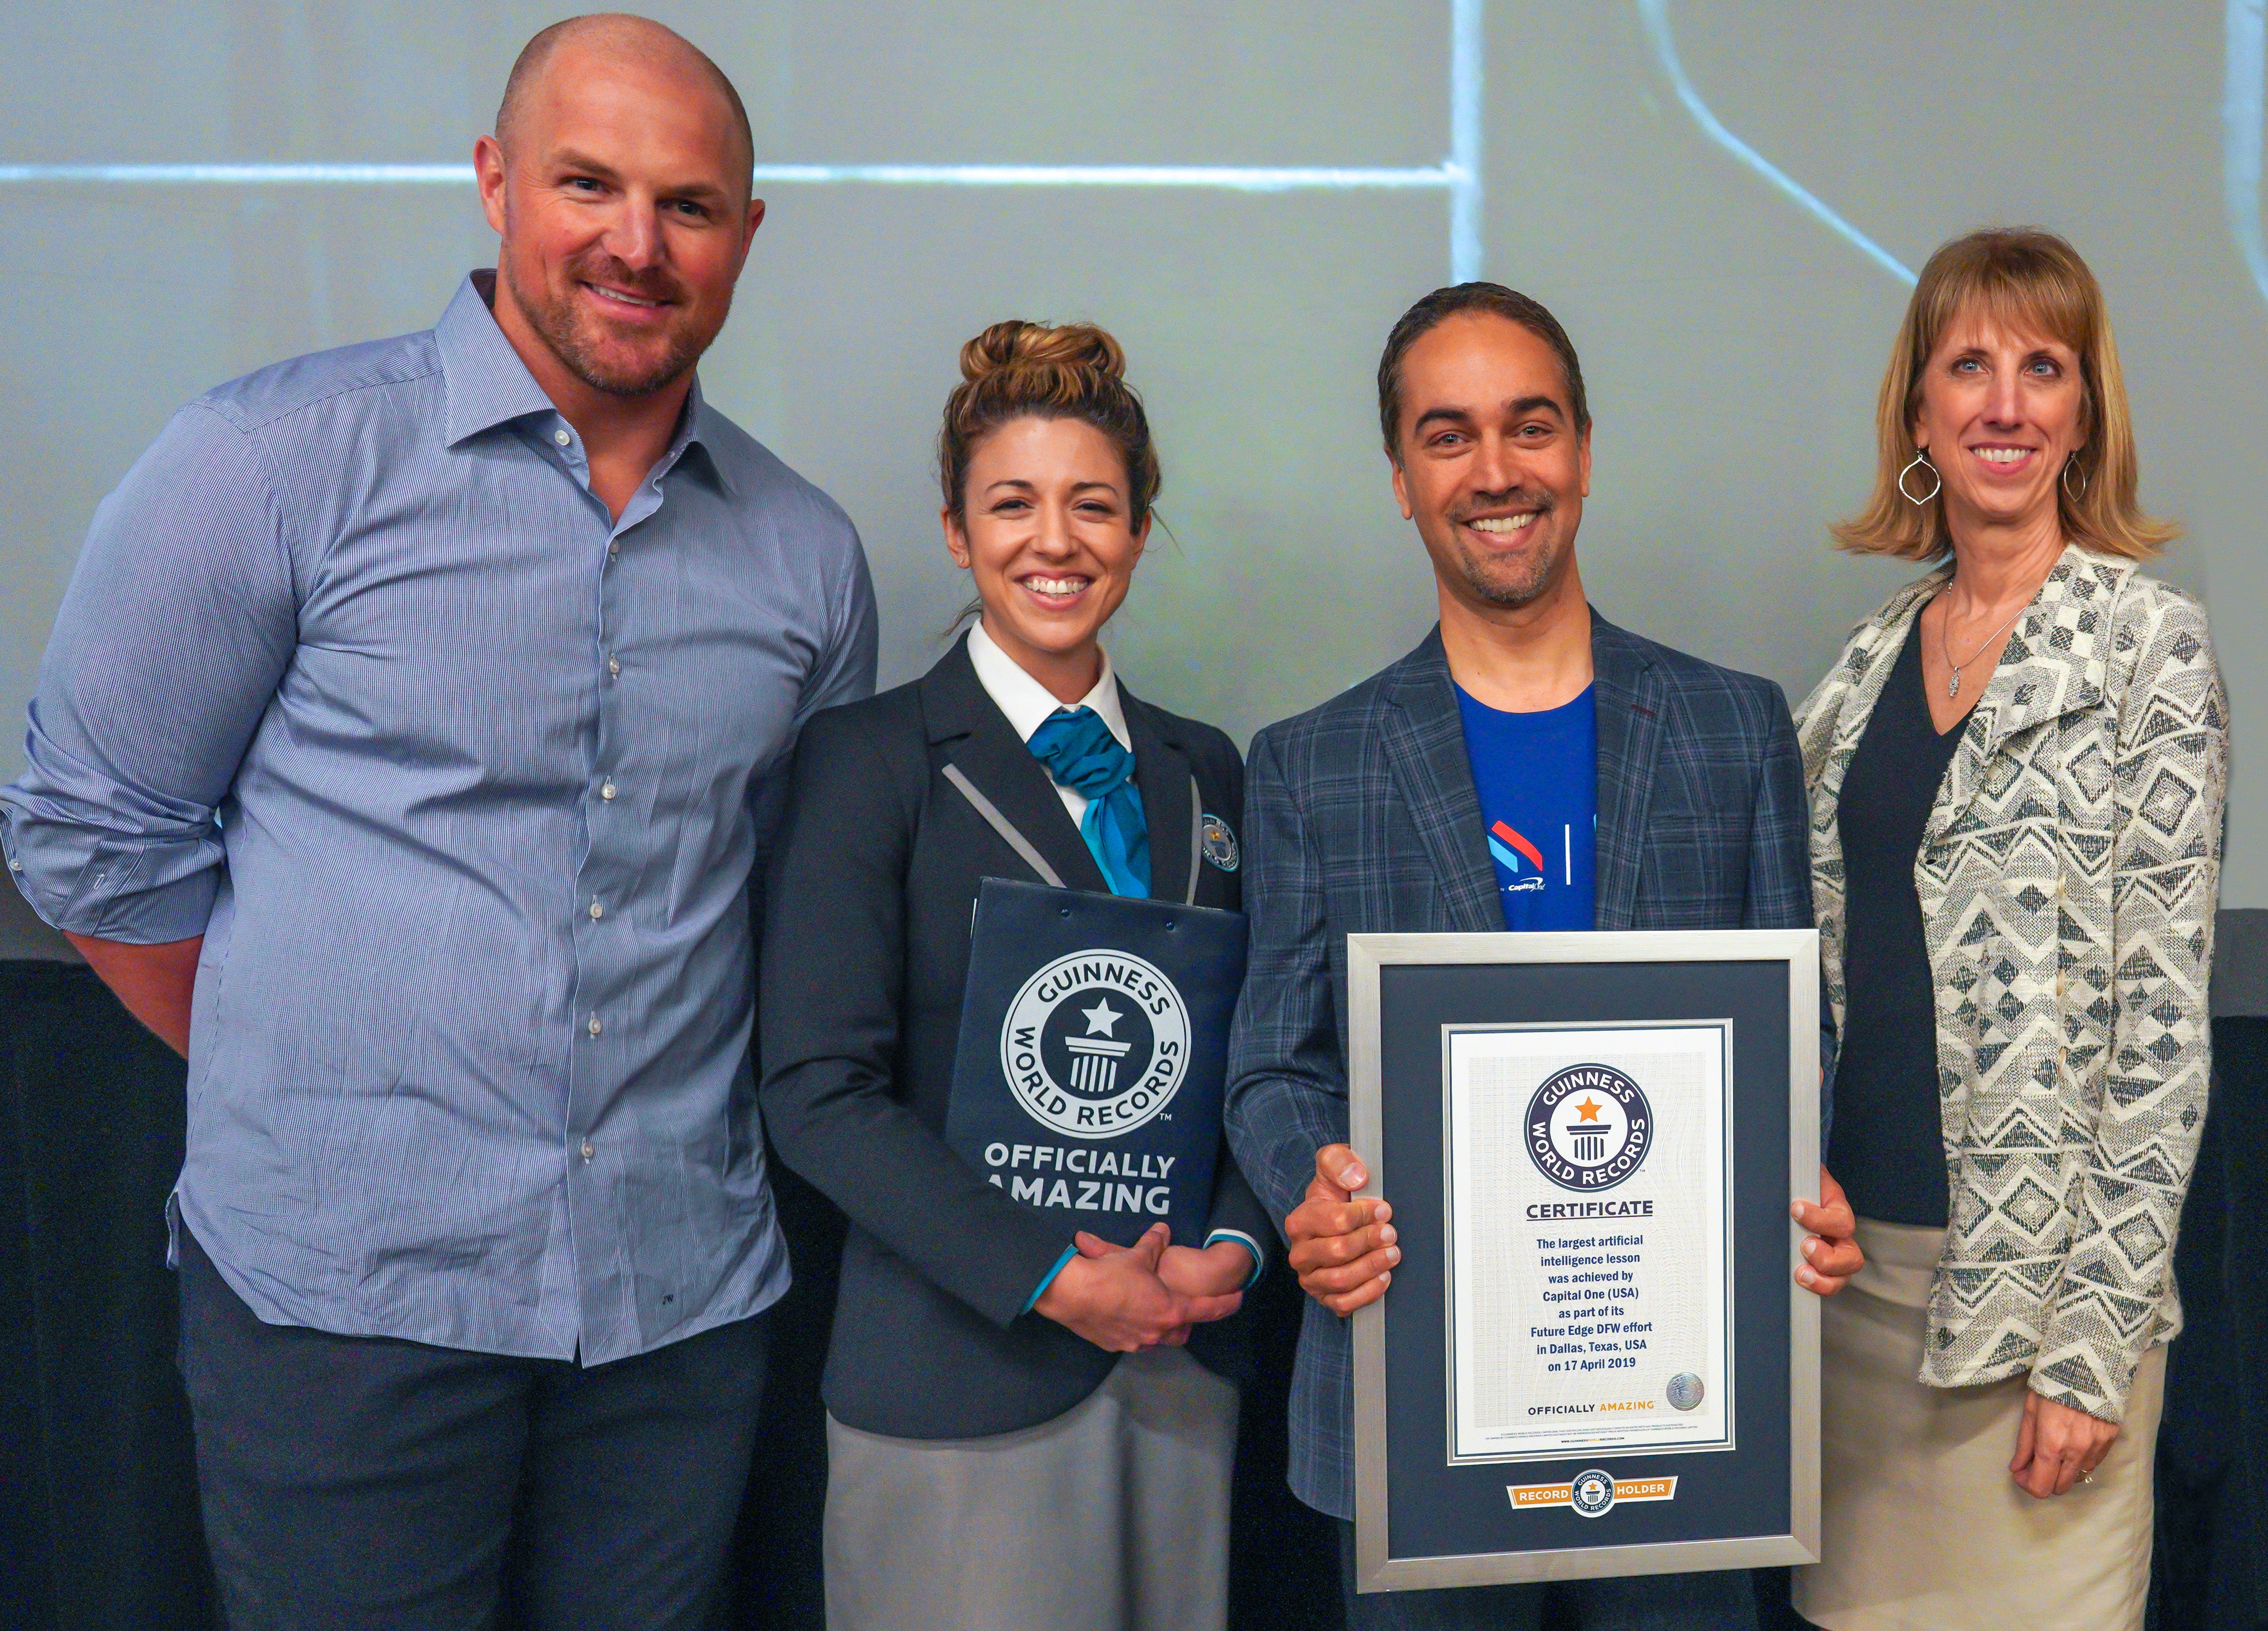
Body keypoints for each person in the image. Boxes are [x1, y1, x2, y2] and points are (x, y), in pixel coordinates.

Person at [0, 16, 877, 1628]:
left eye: (689, 205)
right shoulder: (270, 463)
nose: (637, 241)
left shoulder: (808, 562)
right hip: (341, 1308)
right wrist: (301, 1064)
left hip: (674, 1322)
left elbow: (772, 905)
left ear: (748, 234)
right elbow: (88, 830)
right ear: (493, 183)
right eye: (587, 184)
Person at [1222, 282, 1863, 1631]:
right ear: (1400, 477)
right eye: (1448, 435)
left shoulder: (1730, 728)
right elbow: (1275, 1070)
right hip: (1415, 1403)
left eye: (1531, 426)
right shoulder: (1310, 764)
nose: (1497, 470)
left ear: (1583, 447)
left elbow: (1792, 1027)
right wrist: (1310, 1194)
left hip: (1684, 1399)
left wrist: (1788, 1165)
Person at [758, 318, 1283, 1631]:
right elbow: (817, 1089)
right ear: (955, 529)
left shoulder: (1205, 768)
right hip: (957, 1376)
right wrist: (1055, 1272)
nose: (1056, 541)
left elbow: (1247, 1050)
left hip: (1175, 1378)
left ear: (1141, 530)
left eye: (1093, 504)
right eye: (1013, 503)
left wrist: (1232, 1242)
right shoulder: (869, 759)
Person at [1787, 228, 2226, 1631]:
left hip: (2041, 1321)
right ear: (1917, 407)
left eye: (2045, 368)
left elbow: (2161, 1037)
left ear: (2083, 410)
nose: (2005, 403)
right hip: (1852, 1309)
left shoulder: (2147, 648)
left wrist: (2091, 1349)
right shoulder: (1857, 674)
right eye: (1969, 365)